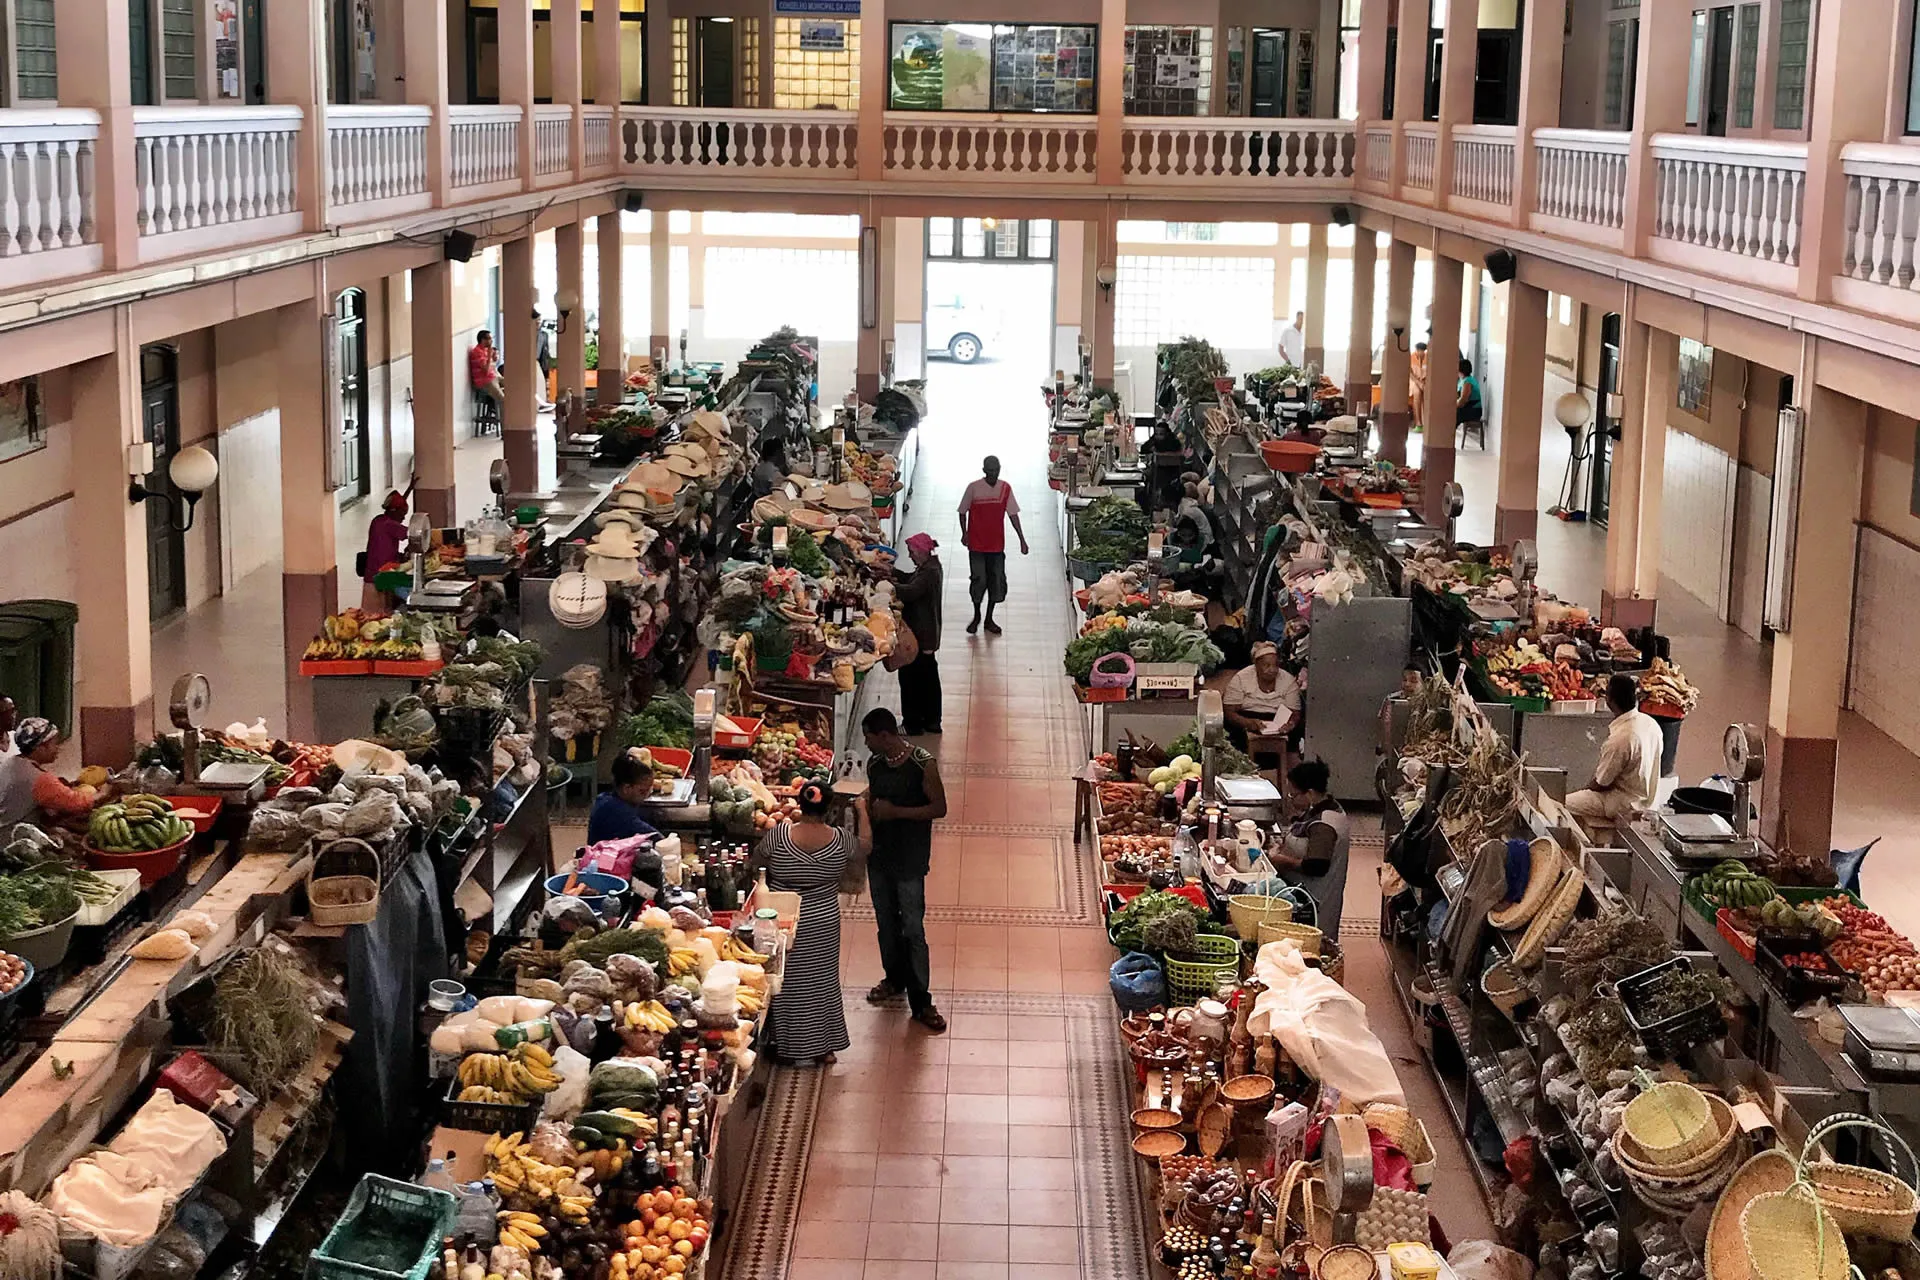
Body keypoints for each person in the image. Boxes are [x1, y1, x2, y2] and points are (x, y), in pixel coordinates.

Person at [759, 780, 867, 1066]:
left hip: (784, 918)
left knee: (785, 980)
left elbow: (758, 861)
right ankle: (824, 1047)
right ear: (829, 807)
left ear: (800, 803)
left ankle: (786, 1046)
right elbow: (866, 848)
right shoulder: (841, 839)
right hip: (823, 919)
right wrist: (863, 811)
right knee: (821, 981)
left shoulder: (778, 835)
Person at [861, 707, 948, 1034]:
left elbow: (939, 808)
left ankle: (922, 1000)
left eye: (869, 737)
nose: (866, 744)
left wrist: (895, 811)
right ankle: (893, 978)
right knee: (885, 922)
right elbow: (873, 804)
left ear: (884, 735)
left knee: (912, 928)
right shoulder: (875, 764)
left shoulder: (922, 764)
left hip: (910, 859)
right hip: (879, 857)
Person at [1566, 673, 1665, 827]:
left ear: (1609, 700)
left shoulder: (1620, 739)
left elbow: (1602, 782)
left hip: (1623, 804)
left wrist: (1585, 789)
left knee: (1561, 804)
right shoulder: (1651, 724)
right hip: (1649, 801)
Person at [1270, 759, 1351, 940]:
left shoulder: (1325, 824)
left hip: (1315, 902)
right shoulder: (1321, 808)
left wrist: (1281, 860)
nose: (1291, 800)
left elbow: (1317, 866)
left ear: (1310, 793)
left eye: (1294, 795)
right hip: (1305, 894)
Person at [957, 455, 1028, 636]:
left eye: (996, 470)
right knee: (978, 579)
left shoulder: (1005, 489)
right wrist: (964, 533)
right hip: (977, 545)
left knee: (995, 581)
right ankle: (977, 615)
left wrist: (1022, 538)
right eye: (990, 471)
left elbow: (1013, 515)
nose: (993, 474)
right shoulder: (973, 488)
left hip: (996, 546)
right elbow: (962, 511)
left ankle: (989, 617)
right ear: (984, 471)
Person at [5, 718, 103, 828]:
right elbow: (77, 803)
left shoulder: (9, 762)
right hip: (12, 837)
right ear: (40, 747)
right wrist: (103, 793)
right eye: (54, 744)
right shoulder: (41, 780)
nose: (58, 748)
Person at [894, 532, 944, 736]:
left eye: (912, 552)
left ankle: (913, 723)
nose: (910, 556)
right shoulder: (929, 568)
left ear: (922, 551)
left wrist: (890, 587)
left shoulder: (930, 572)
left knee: (911, 679)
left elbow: (912, 591)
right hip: (927, 634)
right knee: (928, 678)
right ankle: (931, 721)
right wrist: (893, 572)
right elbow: (912, 580)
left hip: (921, 635)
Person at [1224, 641, 1303, 757]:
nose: (1272, 670)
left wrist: (1290, 725)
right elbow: (1229, 711)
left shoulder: (1288, 681)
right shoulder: (1241, 678)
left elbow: (1295, 713)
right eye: (1266, 665)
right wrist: (1247, 723)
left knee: (1297, 733)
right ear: (1256, 665)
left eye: (1276, 665)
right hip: (1247, 719)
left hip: (1277, 722)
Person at [586, 750, 661, 845]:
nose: (646, 795)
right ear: (627, 788)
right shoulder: (614, 810)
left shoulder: (605, 798)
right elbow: (655, 837)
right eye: (642, 791)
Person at [361, 490, 411, 613]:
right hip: (379, 577)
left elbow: (395, 507)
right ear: (394, 511)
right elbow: (412, 534)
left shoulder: (378, 520)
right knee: (377, 614)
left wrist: (409, 489)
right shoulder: (390, 525)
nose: (404, 518)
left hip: (373, 572)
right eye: (403, 514)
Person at [469, 330, 504, 405]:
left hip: (494, 377)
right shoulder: (476, 352)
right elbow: (486, 371)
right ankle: (506, 416)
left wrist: (493, 359)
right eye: (489, 339)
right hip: (485, 381)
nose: (491, 341)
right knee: (503, 400)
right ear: (483, 340)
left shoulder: (486, 350)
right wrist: (489, 356)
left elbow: (492, 367)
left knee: (514, 387)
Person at [1457, 357, 1484, 441]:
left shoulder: (1468, 382)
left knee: (1452, 415)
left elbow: (1463, 400)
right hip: (1468, 408)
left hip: (1474, 411)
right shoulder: (1462, 380)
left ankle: (1445, 440)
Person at [534, 311, 554, 407]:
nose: (538, 322)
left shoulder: (544, 335)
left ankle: (540, 403)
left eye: (539, 320)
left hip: (537, 362)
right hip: (529, 362)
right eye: (536, 320)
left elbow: (545, 351)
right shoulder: (527, 334)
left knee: (540, 383)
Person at [1409, 342, 1430, 428]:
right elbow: (1410, 373)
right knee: (1417, 393)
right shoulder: (1411, 357)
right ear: (1416, 350)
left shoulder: (1428, 358)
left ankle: (1427, 422)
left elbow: (1430, 372)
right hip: (1414, 380)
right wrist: (1418, 383)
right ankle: (1418, 423)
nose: (1421, 353)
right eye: (1420, 351)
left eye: (1423, 351)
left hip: (1425, 381)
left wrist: (1424, 382)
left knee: (1426, 394)